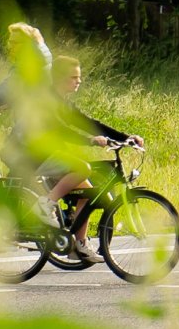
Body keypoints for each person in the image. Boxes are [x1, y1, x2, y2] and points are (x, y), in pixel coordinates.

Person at [35, 55, 140, 263]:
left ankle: (80, 244)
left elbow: (89, 123)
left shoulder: (63, 102)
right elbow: (60, 131)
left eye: (79, 77)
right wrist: (90, 141)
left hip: (52, 154)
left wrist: (126, 138)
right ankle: (45, 204)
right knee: (82, 168)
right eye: (73, 77)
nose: (79, 81)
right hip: (36, 154)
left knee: (88, 192)